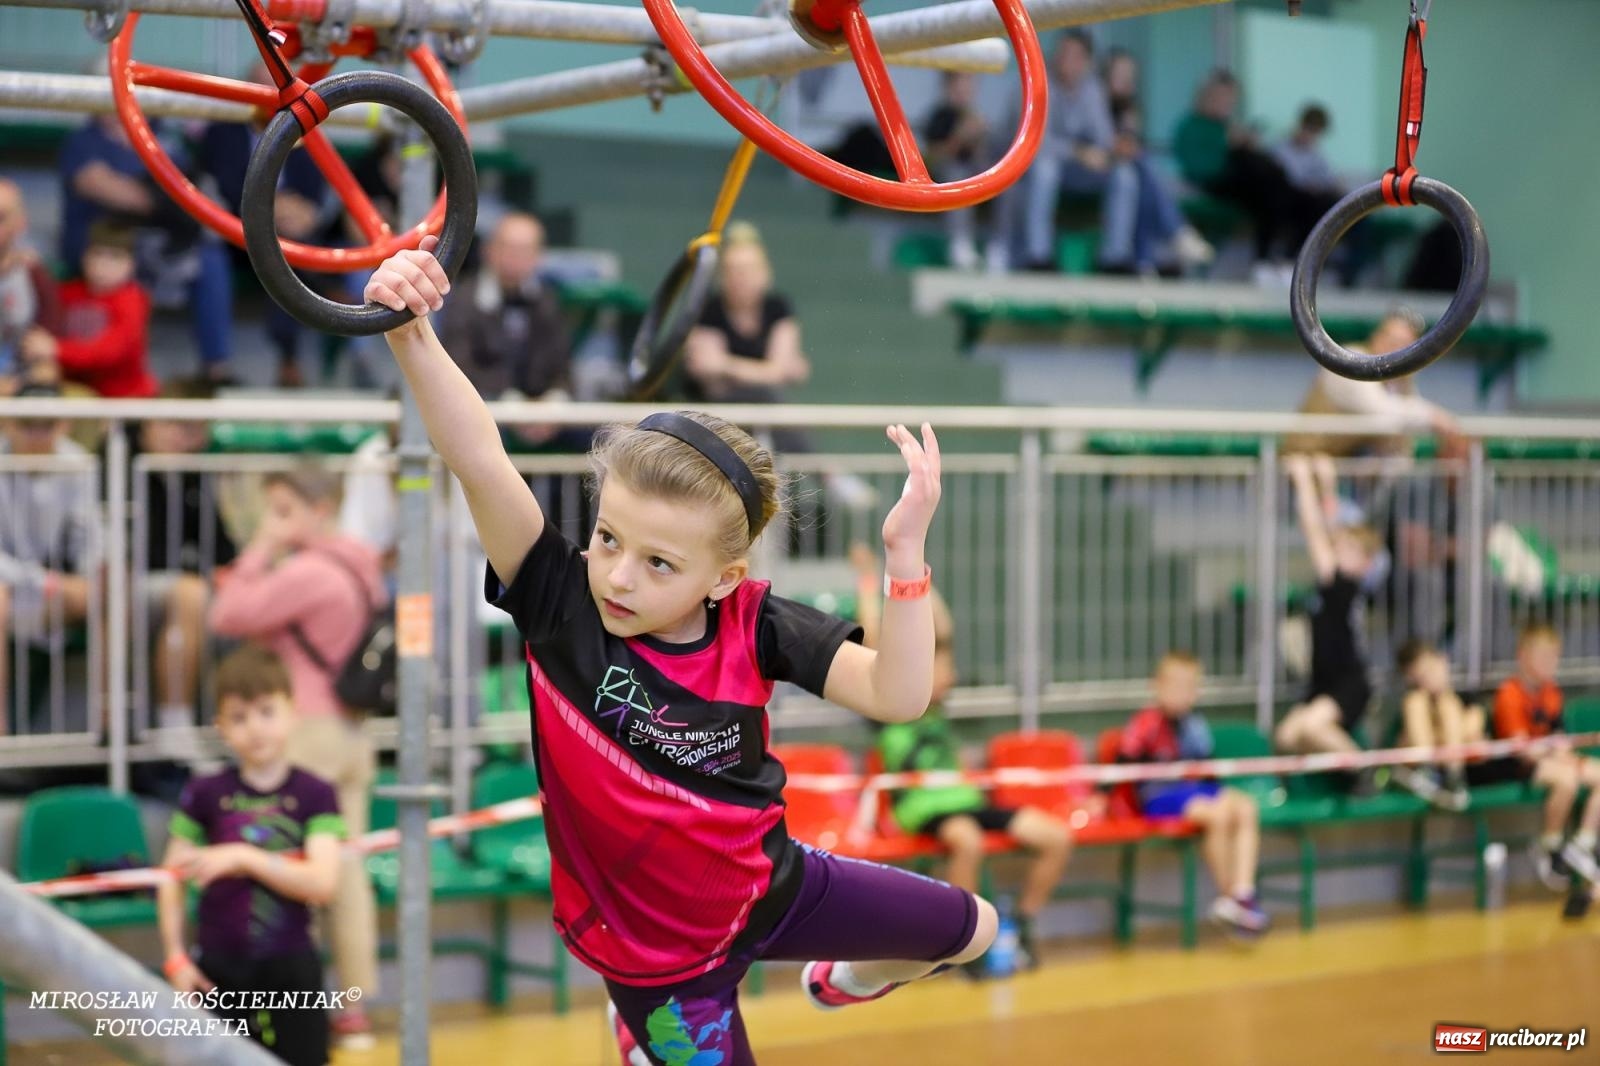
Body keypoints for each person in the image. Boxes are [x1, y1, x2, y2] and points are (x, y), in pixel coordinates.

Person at [364, 236, 995, 1066]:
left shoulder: (756, 622)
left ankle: (840, 980)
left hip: (771, 889)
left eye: (659, 563)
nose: (619, 576)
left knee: (975, 929)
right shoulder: (559, 601)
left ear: (724, 577)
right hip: (655, 959)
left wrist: (904, 556)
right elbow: (479, 458)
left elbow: (897, 694)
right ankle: (638, 1032)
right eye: (608, 539)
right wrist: (409, 330)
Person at [206, 465, 385, 1046]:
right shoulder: (362, 565)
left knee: (292, 870)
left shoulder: (309, 572)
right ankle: (354, 1007)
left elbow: (227, 614)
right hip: (351, 733)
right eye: (270, 511)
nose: (273, 522)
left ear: (320, 509)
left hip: (306, 733)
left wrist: (260, 547)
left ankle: (290, 1004)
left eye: (284, 511)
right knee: (346, 870)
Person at [857, 544, 1073, 974]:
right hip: (923, 807)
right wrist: (866, 580)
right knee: (968, 842)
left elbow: (944, 626)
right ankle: (961, 942)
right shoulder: (891, 707)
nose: (951, 676)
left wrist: (916, 574)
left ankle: (1022, 922)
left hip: (967, 800)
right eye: (944, 668)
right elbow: (871, 638)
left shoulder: (940, 709)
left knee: (1056, 837)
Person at [157, 643, 342, 1066]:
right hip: (218, 972)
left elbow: (322, 882)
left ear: (293, 712)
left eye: (266, 711)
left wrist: (243, 857)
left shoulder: (316, 793)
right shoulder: (204, 793)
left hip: (293, 971)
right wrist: (175, 958)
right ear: (220, 726)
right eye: (239, 717)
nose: (255, 728)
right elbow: (171, 878)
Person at [57, 111, 233, 378]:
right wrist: (163, 200)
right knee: (118, 268)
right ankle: (118, 377)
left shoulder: (162, 136)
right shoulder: (84, 140)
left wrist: (163, 199)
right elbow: (102, 186)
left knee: (210, 256)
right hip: (107, 242)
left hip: (160, 239)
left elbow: (191, 185)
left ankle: (216, 368)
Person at [1120, 651, 1267, 937]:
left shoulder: (1195, 724)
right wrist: (1101, 797)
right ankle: (1228, 898)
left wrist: (1219, 792)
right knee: (1217, 815)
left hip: (1196, 789)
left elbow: (1208, 767)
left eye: (1188, 686)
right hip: (1160, 795)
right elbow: (1123, 763)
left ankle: (1242, 893)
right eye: (1174, 684)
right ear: (1157, 685)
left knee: (1245, 807)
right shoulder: (1145, 723)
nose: (1181, 693)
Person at [134, 377, 238, 737]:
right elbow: (139, 554)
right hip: (123, 585)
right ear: (149, 423)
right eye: (175, 425)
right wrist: (201, 570)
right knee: (190, 593)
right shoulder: (120, 462)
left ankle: (242, 729)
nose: (184, 438)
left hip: (180, 583)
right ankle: (174, 731)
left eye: (194, 429)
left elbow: (222, 548)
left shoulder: (195, 476)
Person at [1274, 455, 1383, 786]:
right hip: (1321, 683)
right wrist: (1327, 486)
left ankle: (1368, 771)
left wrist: (1304, 482)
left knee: (1310, 727)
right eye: (1339, 548)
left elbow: (1315, 531)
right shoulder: (1334, 583)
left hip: (1348, 684)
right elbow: (1327, 531)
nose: (1337, 553)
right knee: (1286, 737)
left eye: (1348, 550)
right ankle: (1340, 776)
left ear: (1365, 563)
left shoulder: (1346, 585)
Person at [0, 381, 102, 735]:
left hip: (50, 594)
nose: (37, 435)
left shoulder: (78, 463)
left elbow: (89, 537)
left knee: (108, 590)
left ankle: (113, 729)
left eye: (47, 425)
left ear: (64, 426)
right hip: (16, 589)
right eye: (27, 424)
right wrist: (43, 581)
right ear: (7, 424)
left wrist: (88, 578)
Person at [1494, 625, 1600, 889]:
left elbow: (1558, 736)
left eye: (1553, 657)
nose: (1550, 663)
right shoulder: (1509, 693)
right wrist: (1556, 752)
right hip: (1516, 766)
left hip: (1550, 758)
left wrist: (1562, 751)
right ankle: (1550, 846)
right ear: (1523, 656)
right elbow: (1523, 750)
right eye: (1543, 657)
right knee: (1567, 779)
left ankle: (1583, 844)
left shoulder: (1552, 692)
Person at [1173, 70, 1314, 266]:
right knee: (1265, 182)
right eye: (1222, 97)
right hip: (1215, 184)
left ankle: (1274, 260)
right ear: (1207, 95)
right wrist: (1229, 145)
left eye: (1230, 99)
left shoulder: (1226, 126)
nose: (1226, 104)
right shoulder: (1191, 126)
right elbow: (1200, 168)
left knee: (1282, 191)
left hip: (1244, 185)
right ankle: (1265, 261)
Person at [1283, 309, 1461, 460]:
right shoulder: (1350, 360)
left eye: (1405, 346)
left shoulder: (1401, 379)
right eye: (1391, 341)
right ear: (1377, 337)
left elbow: (1402, 431)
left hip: (1352, 469)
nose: (1396, 351)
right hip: (1306, 461)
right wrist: (1435, 418)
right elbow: (1382, 414)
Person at [27, 219, 156, 399]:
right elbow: (44, 303)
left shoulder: (132, 300)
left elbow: (111, 351)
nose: (104, 265)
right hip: (77, 391)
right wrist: (33, 268)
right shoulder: (69, 293)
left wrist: (57, 349)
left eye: (115, 257)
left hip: (126, 398)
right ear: (85, 257)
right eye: (98, 255)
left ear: (131, 264)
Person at [1392, 639, 1483, 812]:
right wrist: (1446, 739)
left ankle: (1452, 777)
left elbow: (1473, 731)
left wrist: (1433, 739)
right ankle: (1429, 773)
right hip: (1419, 770)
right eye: (1420, 678)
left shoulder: (1465, 697)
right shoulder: (1413, 702)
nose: (1429, 679)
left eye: (1430, 669)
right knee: (1415, 703)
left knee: (1447, 705)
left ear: (1443, 660)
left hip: (1464, 770)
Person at [923, 72, 991, 270]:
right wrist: (960, 136)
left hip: (973, 173)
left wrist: (979, 138)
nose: (964, 91)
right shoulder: (939, 116)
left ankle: (1000, 246)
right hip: (946, 173)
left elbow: (983, 158)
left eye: (969, 85)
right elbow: (933, 156)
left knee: (1009, 186)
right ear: (948, 87)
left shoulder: (976, 116)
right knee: (958, 177)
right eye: (959, 85)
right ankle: (959, 243)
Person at [0, 178, 62, 391]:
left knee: (46, 376)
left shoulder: (35, 276)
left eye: (1, 217)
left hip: (17, 379)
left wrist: (18, 383)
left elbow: (46, 340)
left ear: (20, 223)